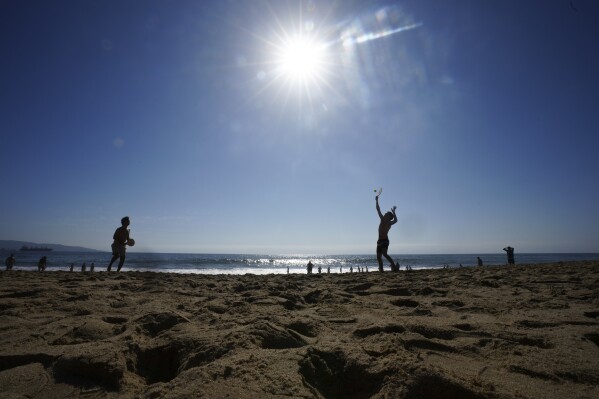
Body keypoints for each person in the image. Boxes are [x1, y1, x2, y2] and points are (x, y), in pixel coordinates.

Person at [375, 195, 398, 272]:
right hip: (379, 241)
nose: (384, 214)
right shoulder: (382, 219)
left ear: (389, 217)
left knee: (384, 254)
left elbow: (396, 220)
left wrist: (394, 213)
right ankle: (381, 269)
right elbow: (378, 209)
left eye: (387, 214)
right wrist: (376, 200)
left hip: (385, 240)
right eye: (385, 214)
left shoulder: (389, 223)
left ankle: (394, 266)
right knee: (378, 257)